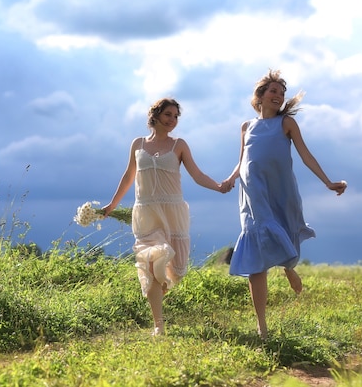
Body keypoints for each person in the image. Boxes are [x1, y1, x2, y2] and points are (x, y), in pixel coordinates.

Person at [222, 69, 347, 339]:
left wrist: (327, 181)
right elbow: (242, 159)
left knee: (282, 228)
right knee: (256, 248)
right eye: (273, 91)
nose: (279, 96)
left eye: (282, 93)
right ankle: (262, 326)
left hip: (280, 188)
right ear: (260, 96)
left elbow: (305, 154)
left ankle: (288, 265)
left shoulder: (286, 123)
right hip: (252, 190)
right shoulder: (246, 126)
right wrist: (231, 179)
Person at [103, 98, 230, 336]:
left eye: (176, 117)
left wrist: (218, 186)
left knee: (176, 270)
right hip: (147, 213)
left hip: (173, 213)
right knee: (152, 263)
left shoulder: (179, 145)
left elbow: (197, 174)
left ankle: (157, 298)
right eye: (168, 114)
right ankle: (158, 325)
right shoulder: (137, 144)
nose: (172, 120)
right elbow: (128, 176)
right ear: (156, 115)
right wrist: (112, 204)